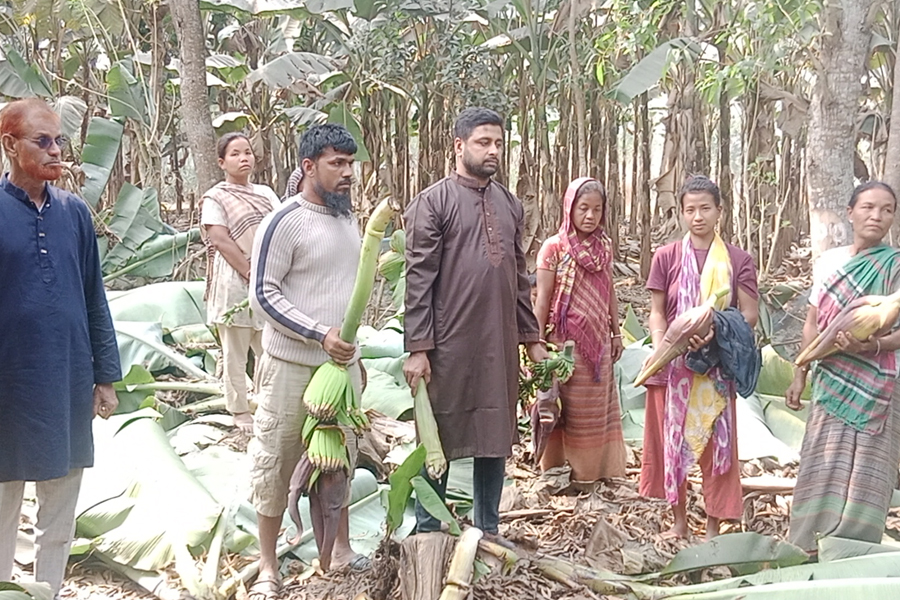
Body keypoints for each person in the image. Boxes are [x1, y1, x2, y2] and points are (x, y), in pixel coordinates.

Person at [403, 107, 547, 545]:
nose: (493, 151)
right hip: (449, 340)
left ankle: (488, 526)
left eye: (499, 143)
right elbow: (419, 278)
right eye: (483, 142)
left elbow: (519, 280)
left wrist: (532, 339)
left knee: (495, 429)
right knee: (440, 430)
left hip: (499, 339)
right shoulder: (433, 202)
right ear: (459, 146)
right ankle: (429, 528)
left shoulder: (508, 203)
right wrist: (418, 347)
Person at [0, 98, 120, 594]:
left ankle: (47, 589)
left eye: (59, 141)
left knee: (61, 498)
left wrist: (106, 377)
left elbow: (95, 297)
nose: (56, 151)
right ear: (10, 145)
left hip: (68, 378)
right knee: (3, 501)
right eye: (42, 141)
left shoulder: (74, 214)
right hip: (9, 385)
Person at [248, 124, 368, 598]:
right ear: (308, 166)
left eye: (350, 163)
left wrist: (351, 355)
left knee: (339, 460)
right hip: (292, 365)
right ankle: (267, 566)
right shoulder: (283, 221)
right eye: (336, 163)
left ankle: (340, 550)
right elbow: (263, 294)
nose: (347, 173)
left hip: (340, 369)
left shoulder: (349, 220)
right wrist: (319, 334)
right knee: (276, 462)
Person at [639, 175, 759, 540]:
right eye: (689, 209)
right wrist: (664, 345)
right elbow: (657, 310)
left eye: (705, 208)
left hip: (717, 366)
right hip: (671, 366)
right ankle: (678, 523)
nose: (697, 217)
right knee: (671, 444)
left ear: (719, 211)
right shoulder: (666, 257)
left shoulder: (739, 259)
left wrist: (716, 330)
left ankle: (711, 525)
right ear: (680, 213)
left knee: (716, 446)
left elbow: (749, 313)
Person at [787, 182, 900, 555]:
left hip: (878, 381)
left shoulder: (896, 266)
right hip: (831, 376)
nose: (876, 216)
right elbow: (812, 322)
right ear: (850, 211)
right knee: (822, 457)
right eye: (868, 207)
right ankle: (807, 542)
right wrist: (800, 373)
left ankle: (854, 546)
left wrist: (873, 346)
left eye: (886, 209)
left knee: (870, 464)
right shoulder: (830, 262)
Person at [533, 177, 628, 482]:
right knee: (563, 410)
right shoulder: (554, 248)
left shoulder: (605, 247)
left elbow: (609, 290)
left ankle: (592, 473)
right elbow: (543, 299)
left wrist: (616, 332)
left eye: (597, 210)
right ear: (569, 208)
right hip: (563, 345)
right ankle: (557, 471)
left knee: (594, 411)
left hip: (597, 344)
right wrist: (536, 343)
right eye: (583, 208)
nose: (590, 216)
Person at [200, 133, 280, 434]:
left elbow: (279, 228)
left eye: (247, 152)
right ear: (222, 162)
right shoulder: (215, 197)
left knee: (269, 347)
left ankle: (267, 404)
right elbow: (220, 239)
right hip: (234, 280)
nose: (244, 158)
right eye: (235, 154)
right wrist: (249, 272)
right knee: (235, 351)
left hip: (269, 278)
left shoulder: (267, 193)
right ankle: (239, 410)